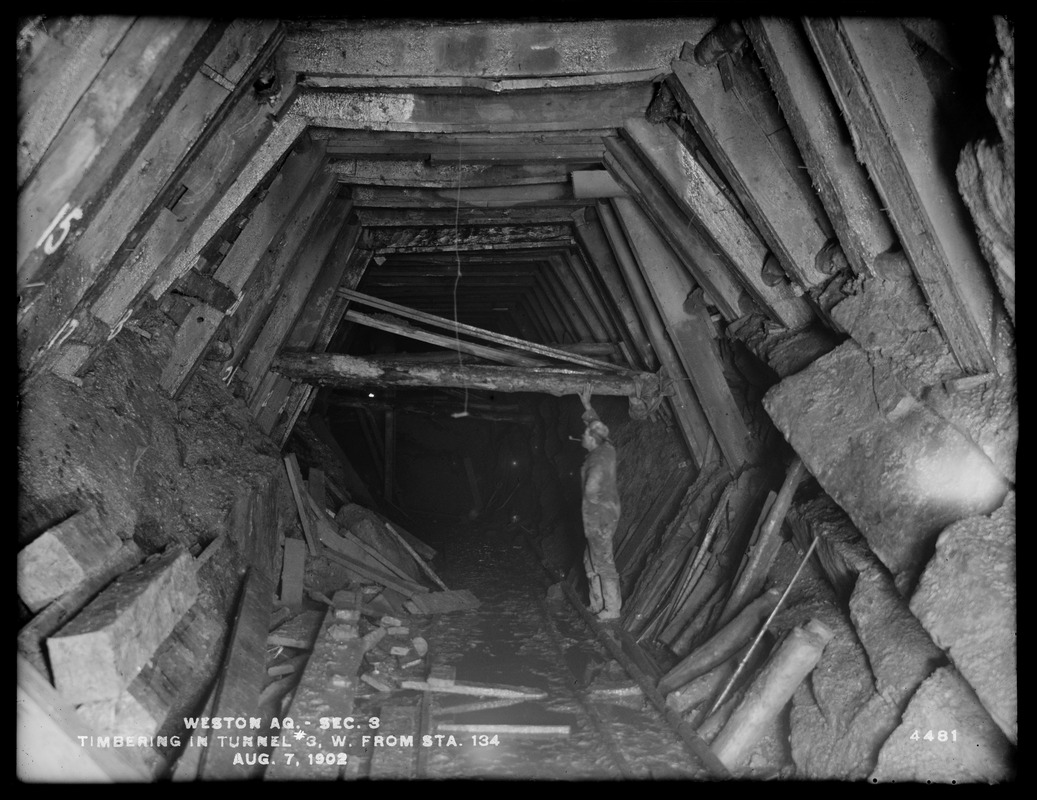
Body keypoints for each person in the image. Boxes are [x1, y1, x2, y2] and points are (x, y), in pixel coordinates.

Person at [577, 387, 622, 621]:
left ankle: (612, 609)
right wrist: (587, 407)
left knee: (603, 562)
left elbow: (593, 488)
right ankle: (597, 605)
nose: (582, 437)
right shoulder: (600, 452)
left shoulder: (603, 453)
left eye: (585, 435)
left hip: (601, 518)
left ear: (593, 439)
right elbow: (599, 429)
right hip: (595, 518)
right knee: (591, 560)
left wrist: (589, 411)